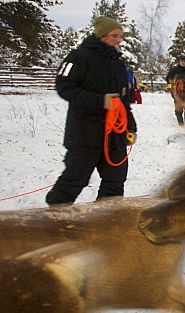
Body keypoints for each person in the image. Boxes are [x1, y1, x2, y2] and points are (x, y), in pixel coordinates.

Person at [45, 16, 137, 206]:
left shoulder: (117, 63)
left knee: (116, 179)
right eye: (115, 35)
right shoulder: (78, 57)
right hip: (85, 133)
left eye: (120, 36)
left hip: (114, 134)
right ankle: (54, 216)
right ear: (102, 35)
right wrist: (100, 101)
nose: (119, 40)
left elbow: (123, 101)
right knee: (75, 179)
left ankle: (105, 218)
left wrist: (131, 127)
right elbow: (65, 88)